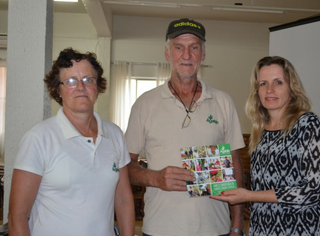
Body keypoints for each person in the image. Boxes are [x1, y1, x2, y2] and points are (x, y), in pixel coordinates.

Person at [125, 18, 245, 236]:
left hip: (215, 229)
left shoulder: (223, 102)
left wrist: (237, 225)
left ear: (203, 55)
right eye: (178, 47)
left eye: (194, 47)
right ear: (167, 53)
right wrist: (155, 178)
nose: (186, 55)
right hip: (160, 229)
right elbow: (126, 166)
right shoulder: (145, 104)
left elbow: (235, 165)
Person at [8, 48, 135, 236]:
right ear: (58, 90)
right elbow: (17, 215)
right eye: (70, 81)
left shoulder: (114, 134)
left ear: (98, 87)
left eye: (88, 79)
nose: (81, 87)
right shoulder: (39, 138)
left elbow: (123, 199)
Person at [210, 56, 320, 235]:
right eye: (263, 84)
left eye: (278, 82)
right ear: (257, 91)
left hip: (302, 229)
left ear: (291, 87)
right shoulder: (261, 130)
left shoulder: (308, 124)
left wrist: (249, 195)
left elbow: (316, 191)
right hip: (263, 229)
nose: (270, 90)